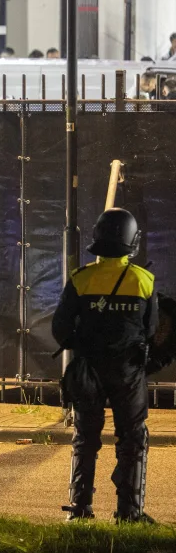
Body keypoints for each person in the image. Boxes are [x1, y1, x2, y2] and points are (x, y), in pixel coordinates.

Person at [53, 209, 160, 523]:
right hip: (128, 372)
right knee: (133, 439)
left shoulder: (81, 278)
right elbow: (151, 330)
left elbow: (60, 328)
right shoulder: (144, 280)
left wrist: (84, 344)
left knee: (86, 439)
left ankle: (80, 509)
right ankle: (129, 513)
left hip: (89, 371)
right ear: (132, 241)